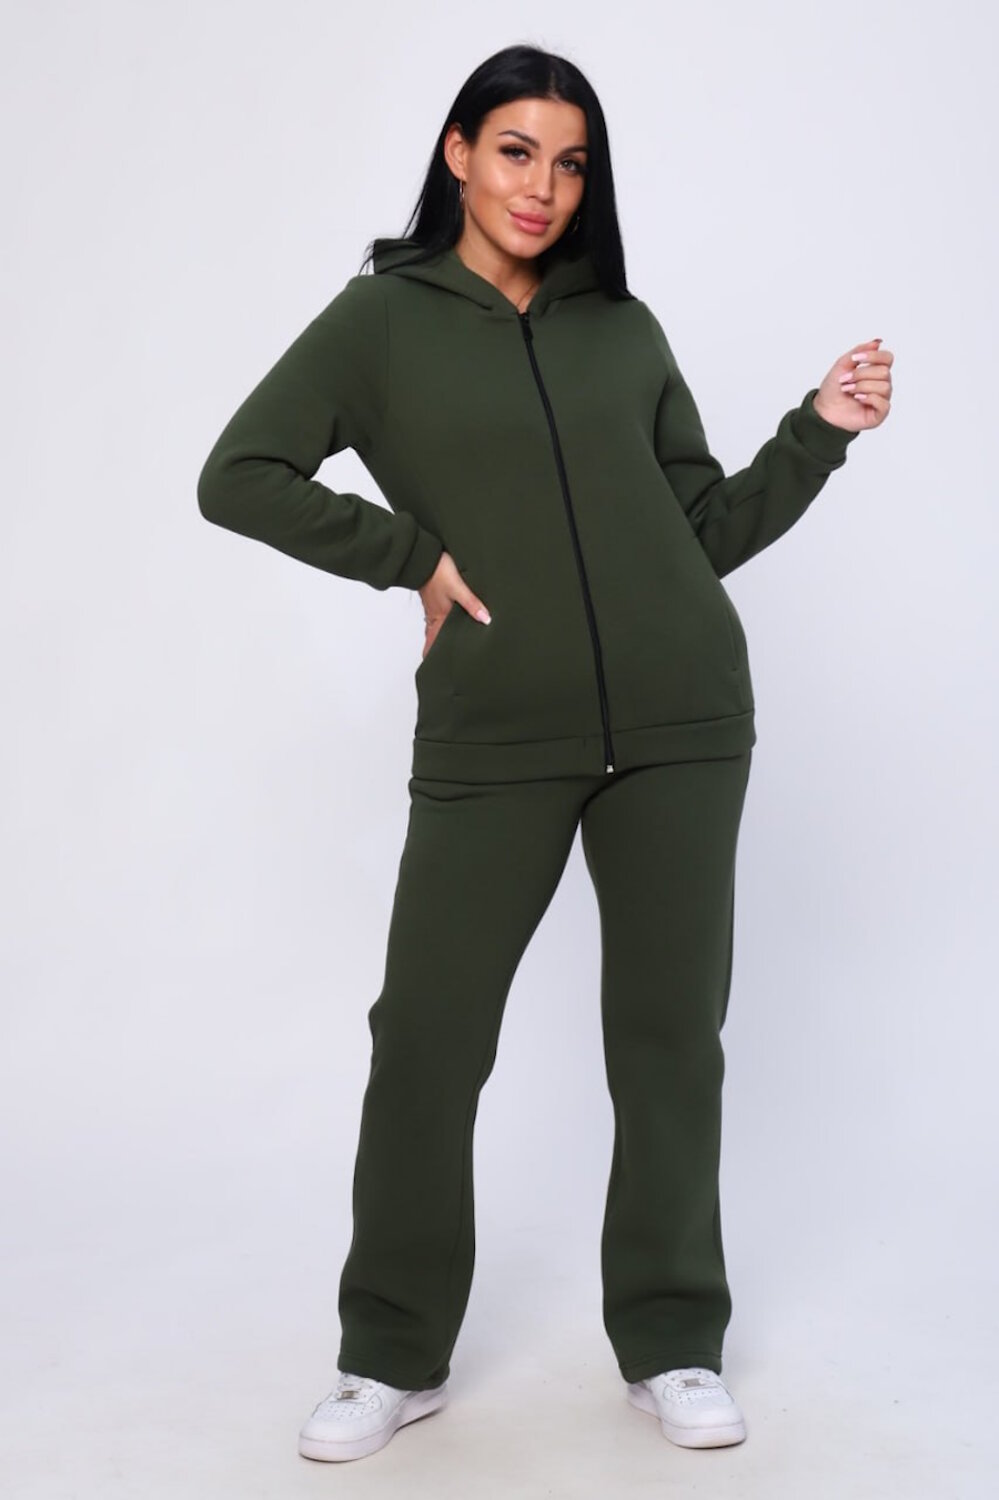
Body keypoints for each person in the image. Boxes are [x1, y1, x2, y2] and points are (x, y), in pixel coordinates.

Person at [196, 42, 892, 1465]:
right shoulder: (379, 324)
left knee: (669, 1043)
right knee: (427, 1040)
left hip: (684, 728)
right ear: (458, 153)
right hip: (497, 732)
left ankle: (674, 1340)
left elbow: (701, 533)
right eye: (516, 151)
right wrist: (409, 556)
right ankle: (391, 1354)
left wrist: (816, 435)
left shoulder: (621, 328)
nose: (543, 187)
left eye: (571, 163)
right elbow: (238, 475)